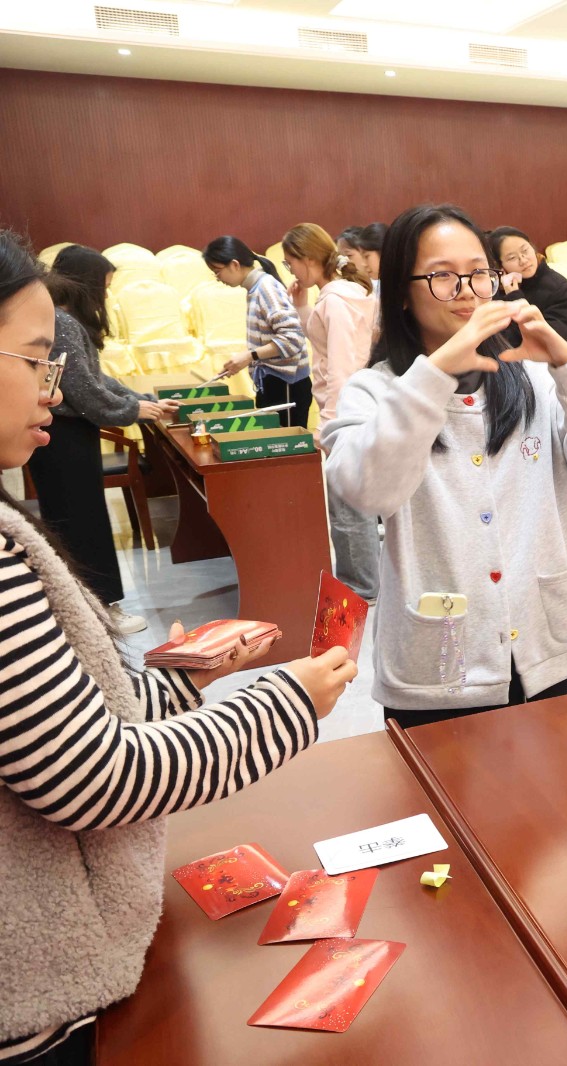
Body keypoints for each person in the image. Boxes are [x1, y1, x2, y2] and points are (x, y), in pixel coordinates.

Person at [0, 230, 357, 1066]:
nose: (53, 388)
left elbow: (44, 725)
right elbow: (95, 779)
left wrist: (176, 681)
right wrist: (287, 702)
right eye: (34, 361)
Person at [322, 204, 567, 727]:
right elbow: (367, 491)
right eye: (443, 275)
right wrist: (438, 371)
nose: (467, 290)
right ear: (401, 292)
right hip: (438, 667)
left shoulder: (530, 378)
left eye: (478, 273)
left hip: (547, 646)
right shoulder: (375, 392)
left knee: (558, 778)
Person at [26, 245, 177, 636]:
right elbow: (85, 391)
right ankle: (101, 611)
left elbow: (95, 378)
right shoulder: (62, 322)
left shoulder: (60, 319)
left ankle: (91, 608)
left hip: (62, 436)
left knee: (77, 520)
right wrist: (132, 410)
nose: (106, 296)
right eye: (105, 287)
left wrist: (141, 401)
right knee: (82, 524)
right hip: (64, 438)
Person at [280, 222, 381, 601]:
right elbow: (326, 341)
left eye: (291, 264)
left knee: (348, 510)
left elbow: (341, 367)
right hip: (353, 408)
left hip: (346, 413)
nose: (291, 271)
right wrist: (302, 305)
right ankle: (362, 583)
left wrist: (329, 426)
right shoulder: (342, 293)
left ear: (308, 259)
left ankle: (360, 589)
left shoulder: (337, 300)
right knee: (351, 506)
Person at [204, 236, 311, 428]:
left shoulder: (266, 288)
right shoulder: (255, 288)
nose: (218, 278)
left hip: (286, 385)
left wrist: (250, 356)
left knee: (284, 446)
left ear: (235, 264)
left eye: (217, 272)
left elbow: (293, 339)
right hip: (274, 382)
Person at [488, 226, 567, 343]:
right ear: (500, 265)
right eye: (512, 258)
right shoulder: (492, 291)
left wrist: (515, 298)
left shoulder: (559, 287)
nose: (523, 260)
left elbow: (556, 341)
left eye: (525, 251)